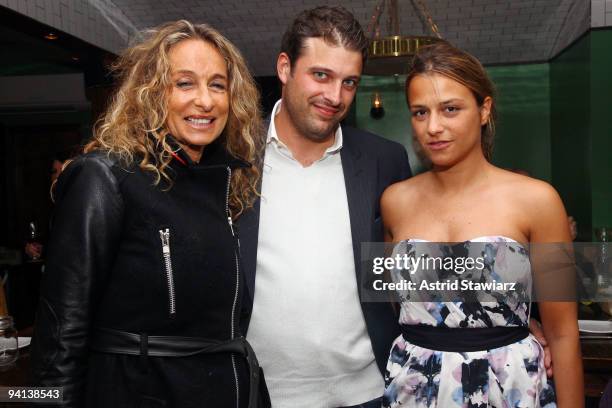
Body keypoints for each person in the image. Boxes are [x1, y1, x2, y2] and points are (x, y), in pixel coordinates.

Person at [30, 20, 269, 408]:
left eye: (217, 85)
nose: (205, 101)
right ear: (152, 92)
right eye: (185, 83)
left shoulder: (224, 184)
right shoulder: (104, 176)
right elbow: (60, 338)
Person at [380, 41, 583, 407]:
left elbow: (564, 334)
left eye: (451, 109)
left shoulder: (538, 200)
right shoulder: (394, 201)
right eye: (420, 112)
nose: (434, 127)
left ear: (484, 109)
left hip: (509, 390)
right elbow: (394, 302)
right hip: (416, 390)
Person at [237, 6, 411, 408]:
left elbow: (416, 263)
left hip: (368, 393)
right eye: (321, 75)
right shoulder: (231, 158)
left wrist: (516, 313)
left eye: (349, 82)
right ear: (285, 67)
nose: (335, 97)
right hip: (259, 394)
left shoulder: (385, 160)